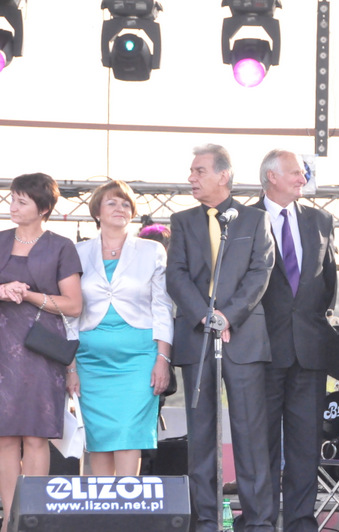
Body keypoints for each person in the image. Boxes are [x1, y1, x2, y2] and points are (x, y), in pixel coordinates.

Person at [166, 144, 276, 532]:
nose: (191, 178)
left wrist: (228, 316)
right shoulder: (182, 221)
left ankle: (258, 521)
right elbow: (176, 275)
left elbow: (260, 272)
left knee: (250, 434)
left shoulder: (254, 219)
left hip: (242, 338)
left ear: (223, 175)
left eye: (199, 171)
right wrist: (205, 316)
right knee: (201, 436)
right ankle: (206, 520)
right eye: (192, 171)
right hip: (198, 338)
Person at [256, 149, 336, 532]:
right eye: (295, 172)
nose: (303, 178)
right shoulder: (243, 219)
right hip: (262, 352)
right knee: (263, 445)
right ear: (271, 176)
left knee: (305, 447)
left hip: (309, 352)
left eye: (303, 173)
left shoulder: (320, 220)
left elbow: (327, 284)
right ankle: (263, 521)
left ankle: (301, 523)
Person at [69, 180, 172, 475]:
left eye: (126, 203)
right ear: (96, 212)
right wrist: (70, 367)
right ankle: (102, 504)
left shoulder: (151, 250)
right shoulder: (76, 252)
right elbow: (69, 314)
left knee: (129, 435)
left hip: (139, 359)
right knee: (99, 439)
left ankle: (127, 501)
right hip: (90, 361)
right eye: (112, 202)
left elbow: (162, 308)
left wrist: (162, 359)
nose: (120, 208)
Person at [0, 173, 82, 532]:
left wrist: (28, 294)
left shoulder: (61, 246)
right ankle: (10, 518)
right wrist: (3, 290)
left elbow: (74, 305)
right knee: (4, 437)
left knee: (35, 436)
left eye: (22, 201)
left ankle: (32, 517)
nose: (13, 206)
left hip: (40, 348)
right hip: (2, 348)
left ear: (44, 207)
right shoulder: (0, 240)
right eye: (12, 199)